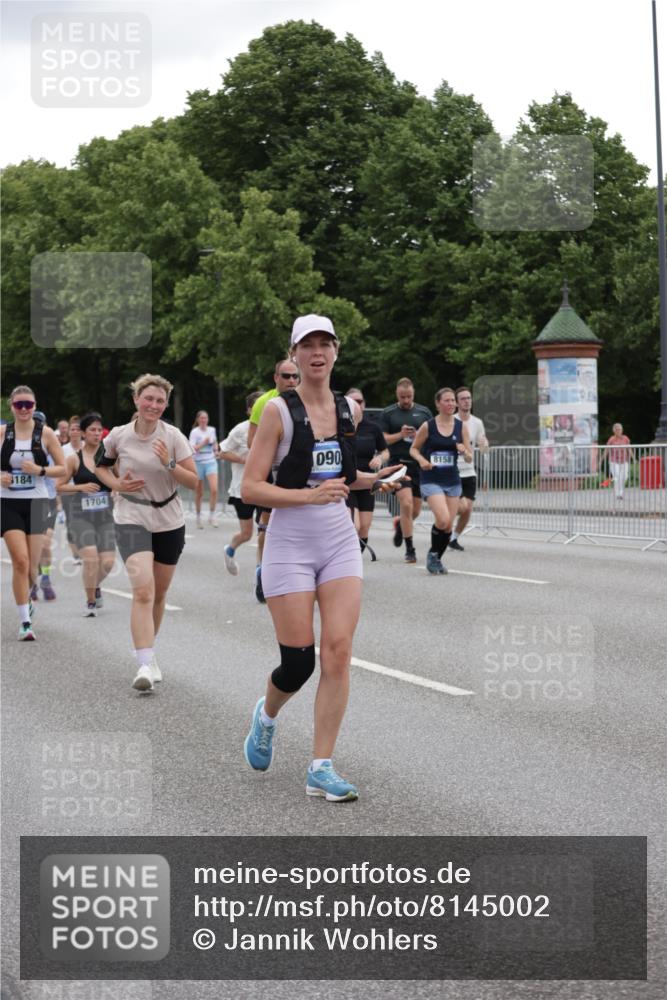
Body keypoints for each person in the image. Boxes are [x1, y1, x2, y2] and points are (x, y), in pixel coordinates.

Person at [241, 315, 403, 802]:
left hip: (336, 540)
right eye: (306, 345)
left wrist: (379, 481)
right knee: (299, 664)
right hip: (289, 542)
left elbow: (345, 475)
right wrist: (306, 498)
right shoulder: (277, 412)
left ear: (336, 351)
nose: (316, 352)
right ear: (294, 355)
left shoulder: (347, 410)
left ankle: (321, 766)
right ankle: (266, 716)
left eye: (324, 343)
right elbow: (251, 486)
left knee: (338, 651)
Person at [94, 374, 197, 691]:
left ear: (165, 405)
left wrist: (168, 463)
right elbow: (100, 466)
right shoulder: (119, 437)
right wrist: (116, 484)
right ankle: (144, 662)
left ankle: (149, 654)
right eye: (148, 399)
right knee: (142, 590)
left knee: (159, 594)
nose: (154, 405)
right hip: (131, 514)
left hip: (168, 518)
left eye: (160, 401)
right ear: (136, 400)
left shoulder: (174, 436)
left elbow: (193, 481)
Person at [0, 386, 65, 640]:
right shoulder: (3, 434)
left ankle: (27, 601)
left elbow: (62, 469)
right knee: (20, 560)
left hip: (38, 503)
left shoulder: (46, 434)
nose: (24, 409)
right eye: (19, 405)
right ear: (12, 407)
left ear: (35, 405)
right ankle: (25, 622)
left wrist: (39, 470)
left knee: (32, 567)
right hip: (8, 503)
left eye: (28, 404)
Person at [247, 358, 300, 602]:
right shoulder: (264, 403)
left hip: (299, 473)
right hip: (270, 472)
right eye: (286, 376)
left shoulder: (305, 400)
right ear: (276, 378)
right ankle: (262, 570)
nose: (291, 381)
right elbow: (252, 442)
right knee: (267, 525)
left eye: (294, 376)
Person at [57, 412, 116, 616]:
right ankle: (90, 602)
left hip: (105, 516)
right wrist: (80, 487)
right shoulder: (74, 459)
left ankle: (95, 585)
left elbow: (120, 480)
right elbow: (59, 486)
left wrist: (117, 489)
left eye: (100, 430)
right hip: (80, 515)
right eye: (92, 430)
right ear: (83, 433)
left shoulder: (108, 458)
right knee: (91, 559)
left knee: (107, 563)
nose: (97, 433)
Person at [410, 388, 471, 575]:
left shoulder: (462, 427)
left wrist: (463, 451)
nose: (451, 404)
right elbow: (413, 449)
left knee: (448, 526)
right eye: (447, 400)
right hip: (431, 479)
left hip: (452, 479)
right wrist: (421, 461)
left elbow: (469, 457)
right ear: (438, 404)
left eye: (453, 400)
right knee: (442, 519)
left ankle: (435, 555)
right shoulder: (428, 426)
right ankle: (433, 555)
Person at [381, 377, 432, 563]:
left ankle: (401, 527)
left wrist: (418, 436)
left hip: (418, 465)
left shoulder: (424, 412)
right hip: (398, 465)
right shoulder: (389, 413)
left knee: (415, 510)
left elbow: (432, 436)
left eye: (409, 397)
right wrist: (400, 435)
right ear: (397, 394)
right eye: (402, 397)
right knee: (407, 504)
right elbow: (384, 439)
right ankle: (410, 549)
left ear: (413, 394)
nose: (406, 400)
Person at [218, 390, 263, 575]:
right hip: (241, 489)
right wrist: (245, 460)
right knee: (247, 534)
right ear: (249, 410)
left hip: (264, 487)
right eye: (257, 407)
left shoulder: (274, 426)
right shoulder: (240, 430)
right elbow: (223, 452)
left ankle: (261, 571)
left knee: (265, 532)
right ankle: (230, 549)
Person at [345, 388, 388, 560]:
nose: (357, 404)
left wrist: (379, 458)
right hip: (347, 482)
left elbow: (385, 451)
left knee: (364, 527)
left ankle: (354, 561)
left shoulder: (373, 428)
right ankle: (346, 563)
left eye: (360, 401)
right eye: (352, 401)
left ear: (364, 404)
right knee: (352, 526)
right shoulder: (340, 426)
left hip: (367, 482)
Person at [449, 386, 489, 551]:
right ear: (457, 403)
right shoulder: (450, 421)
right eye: (463, 399)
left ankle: (453, 538)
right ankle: (442, 527)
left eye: (469, 398)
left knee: (468, 510)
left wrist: (485, 445)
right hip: (452, 471)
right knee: (461, 507)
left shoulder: (477, 422)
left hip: (469, 471)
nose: (467, 401)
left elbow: (482, 444)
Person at [29, 411, 58, 602]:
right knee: (32, 548)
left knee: (45, 544)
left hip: (48, 500)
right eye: (35, 423)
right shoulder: (19, 447)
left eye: (41, 424)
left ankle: (45, 578)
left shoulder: (51, 445)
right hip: (27, 501)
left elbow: (61, 471)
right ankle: (32, 583)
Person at [189, 410, 219, 529]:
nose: (204, 420)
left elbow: (215, 442)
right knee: (199, 493)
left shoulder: (212, 430)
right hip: (198, 463)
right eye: (201, 418)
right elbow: (192, 448)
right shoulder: (194, 432)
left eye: (205, 418)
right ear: (198, 420)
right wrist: (203, 443)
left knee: (214, 489)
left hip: (210, 461)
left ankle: (212, 516)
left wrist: (216, 450)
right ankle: (198, 517)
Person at [606, 423, 632, 500]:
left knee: (625, 476)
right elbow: (606, 450)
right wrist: (601, 460)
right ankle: (618, 493)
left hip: (624, 460)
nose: (619, 431)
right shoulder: (611, 439)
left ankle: (620, 491)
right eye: (617, 429)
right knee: (617, 476)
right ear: (614, 431)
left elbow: (629, 449)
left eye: (620, 429)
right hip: (614, 461)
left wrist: (633, 458)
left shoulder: (625, 438)